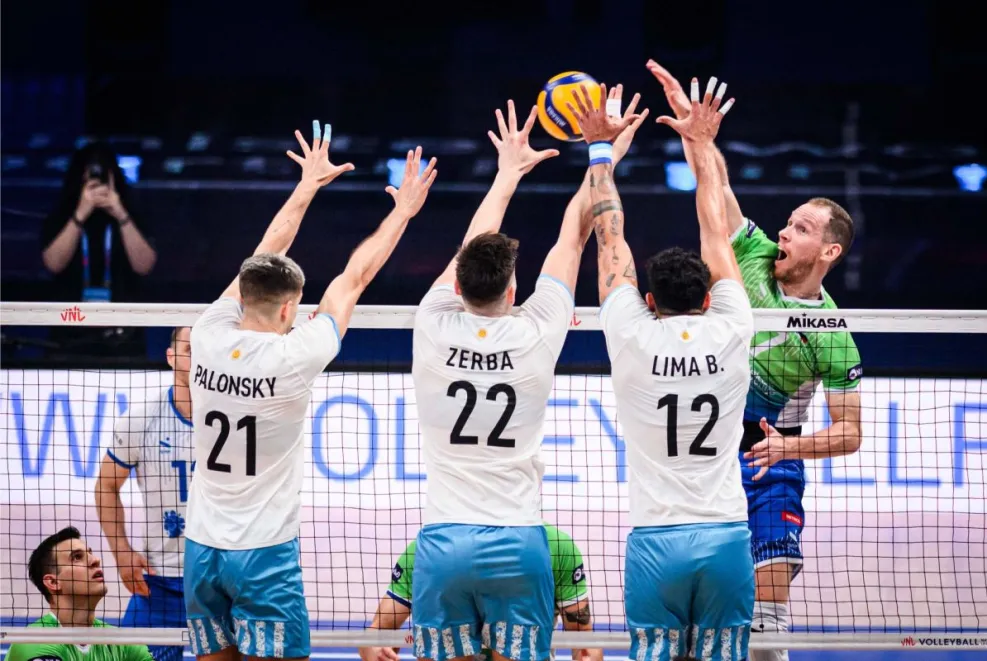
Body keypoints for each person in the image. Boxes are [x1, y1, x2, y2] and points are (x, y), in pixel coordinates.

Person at [182, 120, 436, 661]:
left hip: (201, 546)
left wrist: (306, 186)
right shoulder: (294, 356)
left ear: (243, 294)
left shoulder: (205, 333)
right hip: (263, 552)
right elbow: (353, 279)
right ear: (288, 309)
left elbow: (265, 250)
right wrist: (403, 212)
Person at [647, 61, 863, 661]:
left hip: (771, 463)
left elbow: (850, 432)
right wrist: (697, 134)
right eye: (789, 223)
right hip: (705, 455)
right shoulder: (754, 253)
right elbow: (714, 192)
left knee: (766, 633)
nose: (785, 233)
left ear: (829, 251)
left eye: (801, 228)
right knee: (692, 627)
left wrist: (789, 447)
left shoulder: (833, 335)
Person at [409, 98, 619, 661]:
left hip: (445, 540)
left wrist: (507, 173)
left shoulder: (432, 322)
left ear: (458, 286)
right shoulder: (536, 331)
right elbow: (573, 238)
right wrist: (601, 153)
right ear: (513, 289)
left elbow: (468, 251)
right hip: (517, 542)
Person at [569, 78, 754, 660]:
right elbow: (716, 229)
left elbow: (610, 236)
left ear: (649, 300)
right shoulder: (732, 325)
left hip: (656, 540)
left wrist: (601, 150)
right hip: (726, 536)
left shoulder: (631, 332)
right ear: (708, 299)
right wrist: (700, 143)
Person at [360, 523, 602, 661]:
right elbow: (376, 632)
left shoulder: (556, 545)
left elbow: (583, 640)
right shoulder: (430, 550)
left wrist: (589, 656)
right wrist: (375, 651)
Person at [94, 326, 194, 661]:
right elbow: (106, 485)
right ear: (171, 357)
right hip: (158, 582)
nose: (199, 359)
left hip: (219, 584)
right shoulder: (141, 419)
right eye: (190, 350)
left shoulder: (237, 419)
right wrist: (121, 551)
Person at [7, 526, 154, 661]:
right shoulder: (35, 640)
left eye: (90, 553)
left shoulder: (122, 643)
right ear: (53, 582)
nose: (95, 560)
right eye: (77, 557)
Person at [41, 141, 157, 302]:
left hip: (121, 310)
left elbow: (144, 266)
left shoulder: (130, 213)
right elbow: (53, 264)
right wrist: (80, 214)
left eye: (102, 176)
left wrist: (121, 214)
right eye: (91, 175)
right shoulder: (62, 213)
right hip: (72, 311)